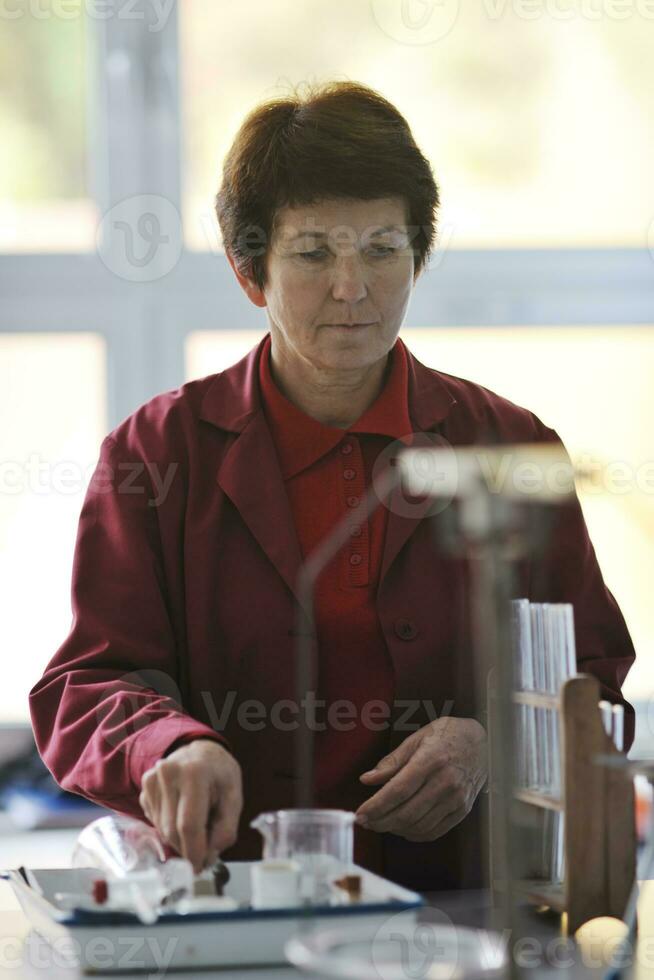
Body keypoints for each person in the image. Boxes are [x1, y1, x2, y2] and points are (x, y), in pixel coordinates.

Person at [29, 80, 635, 892]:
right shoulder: (155, 453)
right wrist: (171, 745)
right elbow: (84, 687)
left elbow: (595, 690)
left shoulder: (508, 447)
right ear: (252, 272)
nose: (353, 287)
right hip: (234, 904)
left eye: (383, 248)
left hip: (463, 910)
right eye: (314, 253)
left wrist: (492, 743)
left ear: (417, 256)